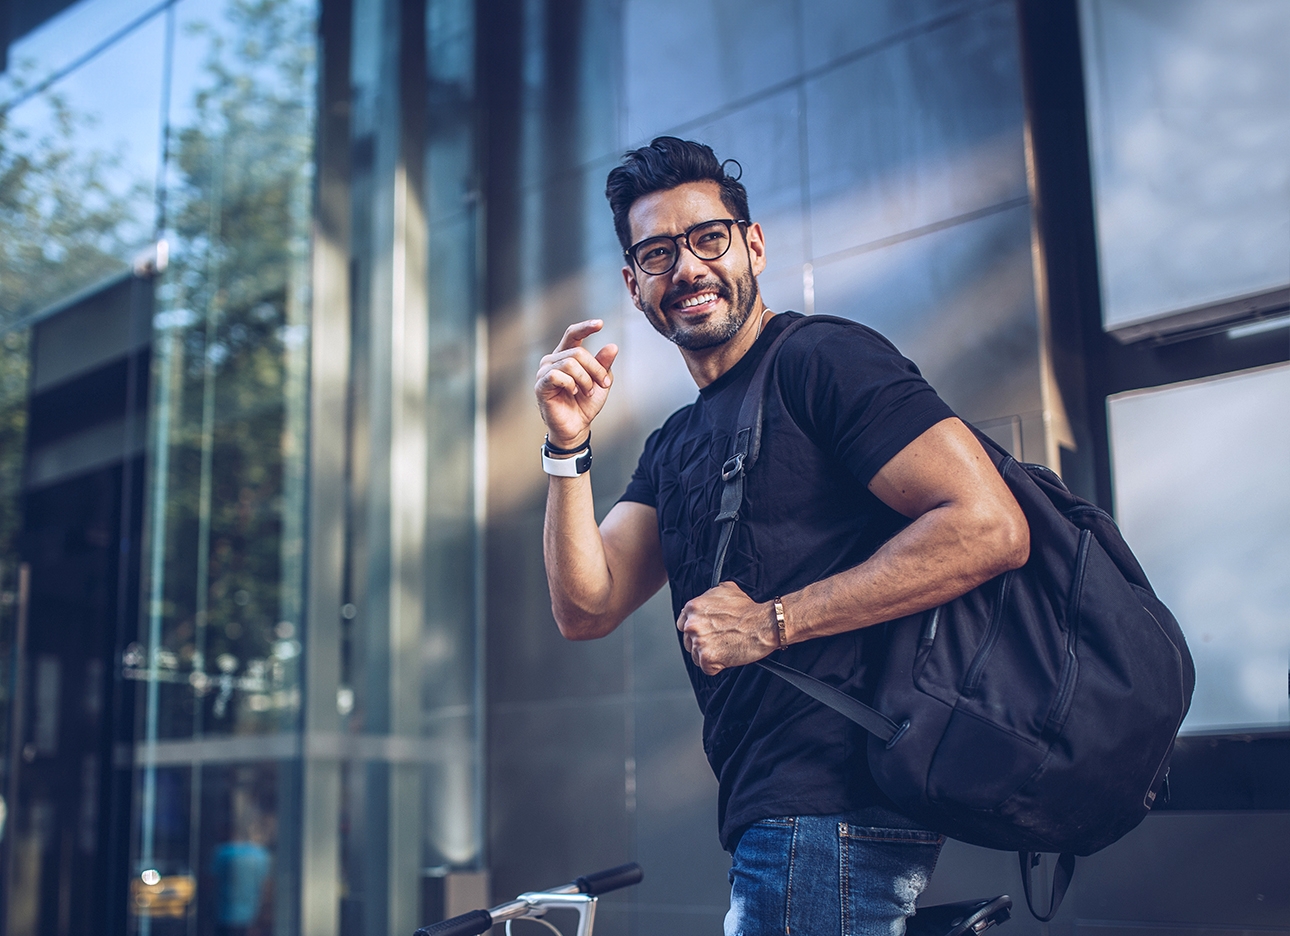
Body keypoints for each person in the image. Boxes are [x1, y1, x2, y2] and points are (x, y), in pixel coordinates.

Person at [534, 137, 1030, 936]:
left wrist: (772, 622)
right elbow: (586, 607)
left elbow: (989, 526)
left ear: (752, 244)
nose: (688, 268)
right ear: (634, 285)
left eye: (708, 238)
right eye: (658, 253)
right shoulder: (675, 443)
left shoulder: (822, 360)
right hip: (776, 819)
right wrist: (564, 449)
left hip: (832, 810)